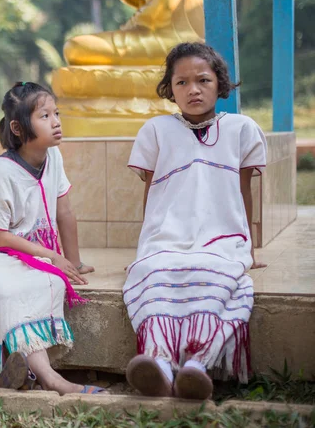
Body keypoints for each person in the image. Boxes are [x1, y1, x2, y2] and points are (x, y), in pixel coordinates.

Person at [124, 42, 267, 400]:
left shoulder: (242, 129)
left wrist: (248, 244)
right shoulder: (156, 130)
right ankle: (157, 363)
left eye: (203, 80)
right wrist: (147, 243)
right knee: (152, 274)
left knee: (222, 280)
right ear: (170, 90)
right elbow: (151, 192)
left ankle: (198, 365)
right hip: (165, 240)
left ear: (219, 84)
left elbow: (243, 191)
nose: (193, 90)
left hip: (222, 241)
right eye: (181, 83)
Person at [0, 82, 104, 395]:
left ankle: (20, 367)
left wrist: (73, 261)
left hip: (11, 244)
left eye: (56, 113)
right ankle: (52, 379)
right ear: (18, 127)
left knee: (55, 280)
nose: (56, 121)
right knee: (8, 291)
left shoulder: (52, 158)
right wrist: (53, 256)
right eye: (44, 115)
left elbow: (65, 212)